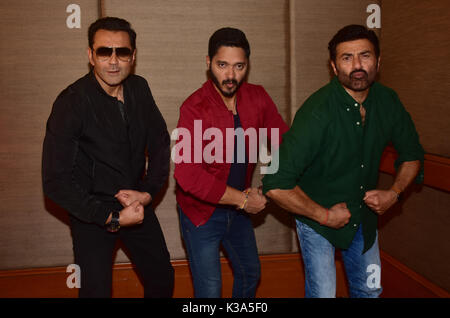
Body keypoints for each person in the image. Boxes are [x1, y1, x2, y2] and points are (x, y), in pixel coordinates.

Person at [262, 24, 424, 298]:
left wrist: (394, 194)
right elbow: (275, 183)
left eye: (365, 55)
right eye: (347, 58)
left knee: (370, 292)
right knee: (324, 294)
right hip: (315, 217)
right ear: (334, 67)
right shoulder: (317, 111)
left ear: (379, 61)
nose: (357, 65)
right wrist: (324, 215)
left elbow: (412, 155)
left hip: (363, 216)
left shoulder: (388, 101)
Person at [42, 17, 174, 298]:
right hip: (92, 211)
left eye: (122, 52)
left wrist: (148, 194)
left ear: (133, 56)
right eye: (104, 51)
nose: (113, 61)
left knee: (163, 279)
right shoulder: (71, 103)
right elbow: (55, 182)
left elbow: (161, 144)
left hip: (136, 202)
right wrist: (111, 218)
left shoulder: (139, 88)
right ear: (91, 55)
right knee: (96, 292)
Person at [173, 27, 289, 298]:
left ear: (247, 65)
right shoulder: (193, 107)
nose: (230, 75)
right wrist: (243, 200)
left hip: (238, 212)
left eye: (239, 66)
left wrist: (266, 187)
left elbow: (285, 145)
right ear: (208, 62)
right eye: (222, 65)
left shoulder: (258, 97)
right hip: (201, 214)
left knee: (251, 273)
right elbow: (187, 174)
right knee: (210, 291)